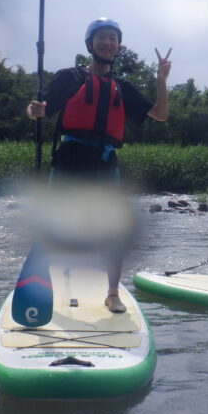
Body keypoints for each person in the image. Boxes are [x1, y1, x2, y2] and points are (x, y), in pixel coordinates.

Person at [26, 17, 172, 313]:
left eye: (113, 39)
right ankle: (45, 287)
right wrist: (33, 109)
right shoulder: (69, 77)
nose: (108, 43)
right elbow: (38, 110)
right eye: (102, 37)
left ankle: (113, 293)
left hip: (106, 162)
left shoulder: (122, 86)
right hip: (70, 158)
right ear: (90, 43)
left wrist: (161, 80)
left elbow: (161, 114)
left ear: (118, 46)